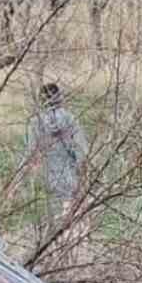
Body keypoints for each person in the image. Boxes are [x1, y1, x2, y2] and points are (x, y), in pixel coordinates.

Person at [19, 81, 89, 231]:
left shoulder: (35, 122)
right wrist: (82, 170)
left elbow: (30, 153)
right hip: (70, 175)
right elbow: (81, 149)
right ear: (60, 97)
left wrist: (20, 178)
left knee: (51, 217)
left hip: (47, 177)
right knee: (70, 215)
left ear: (41, 99)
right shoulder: (70, 119)